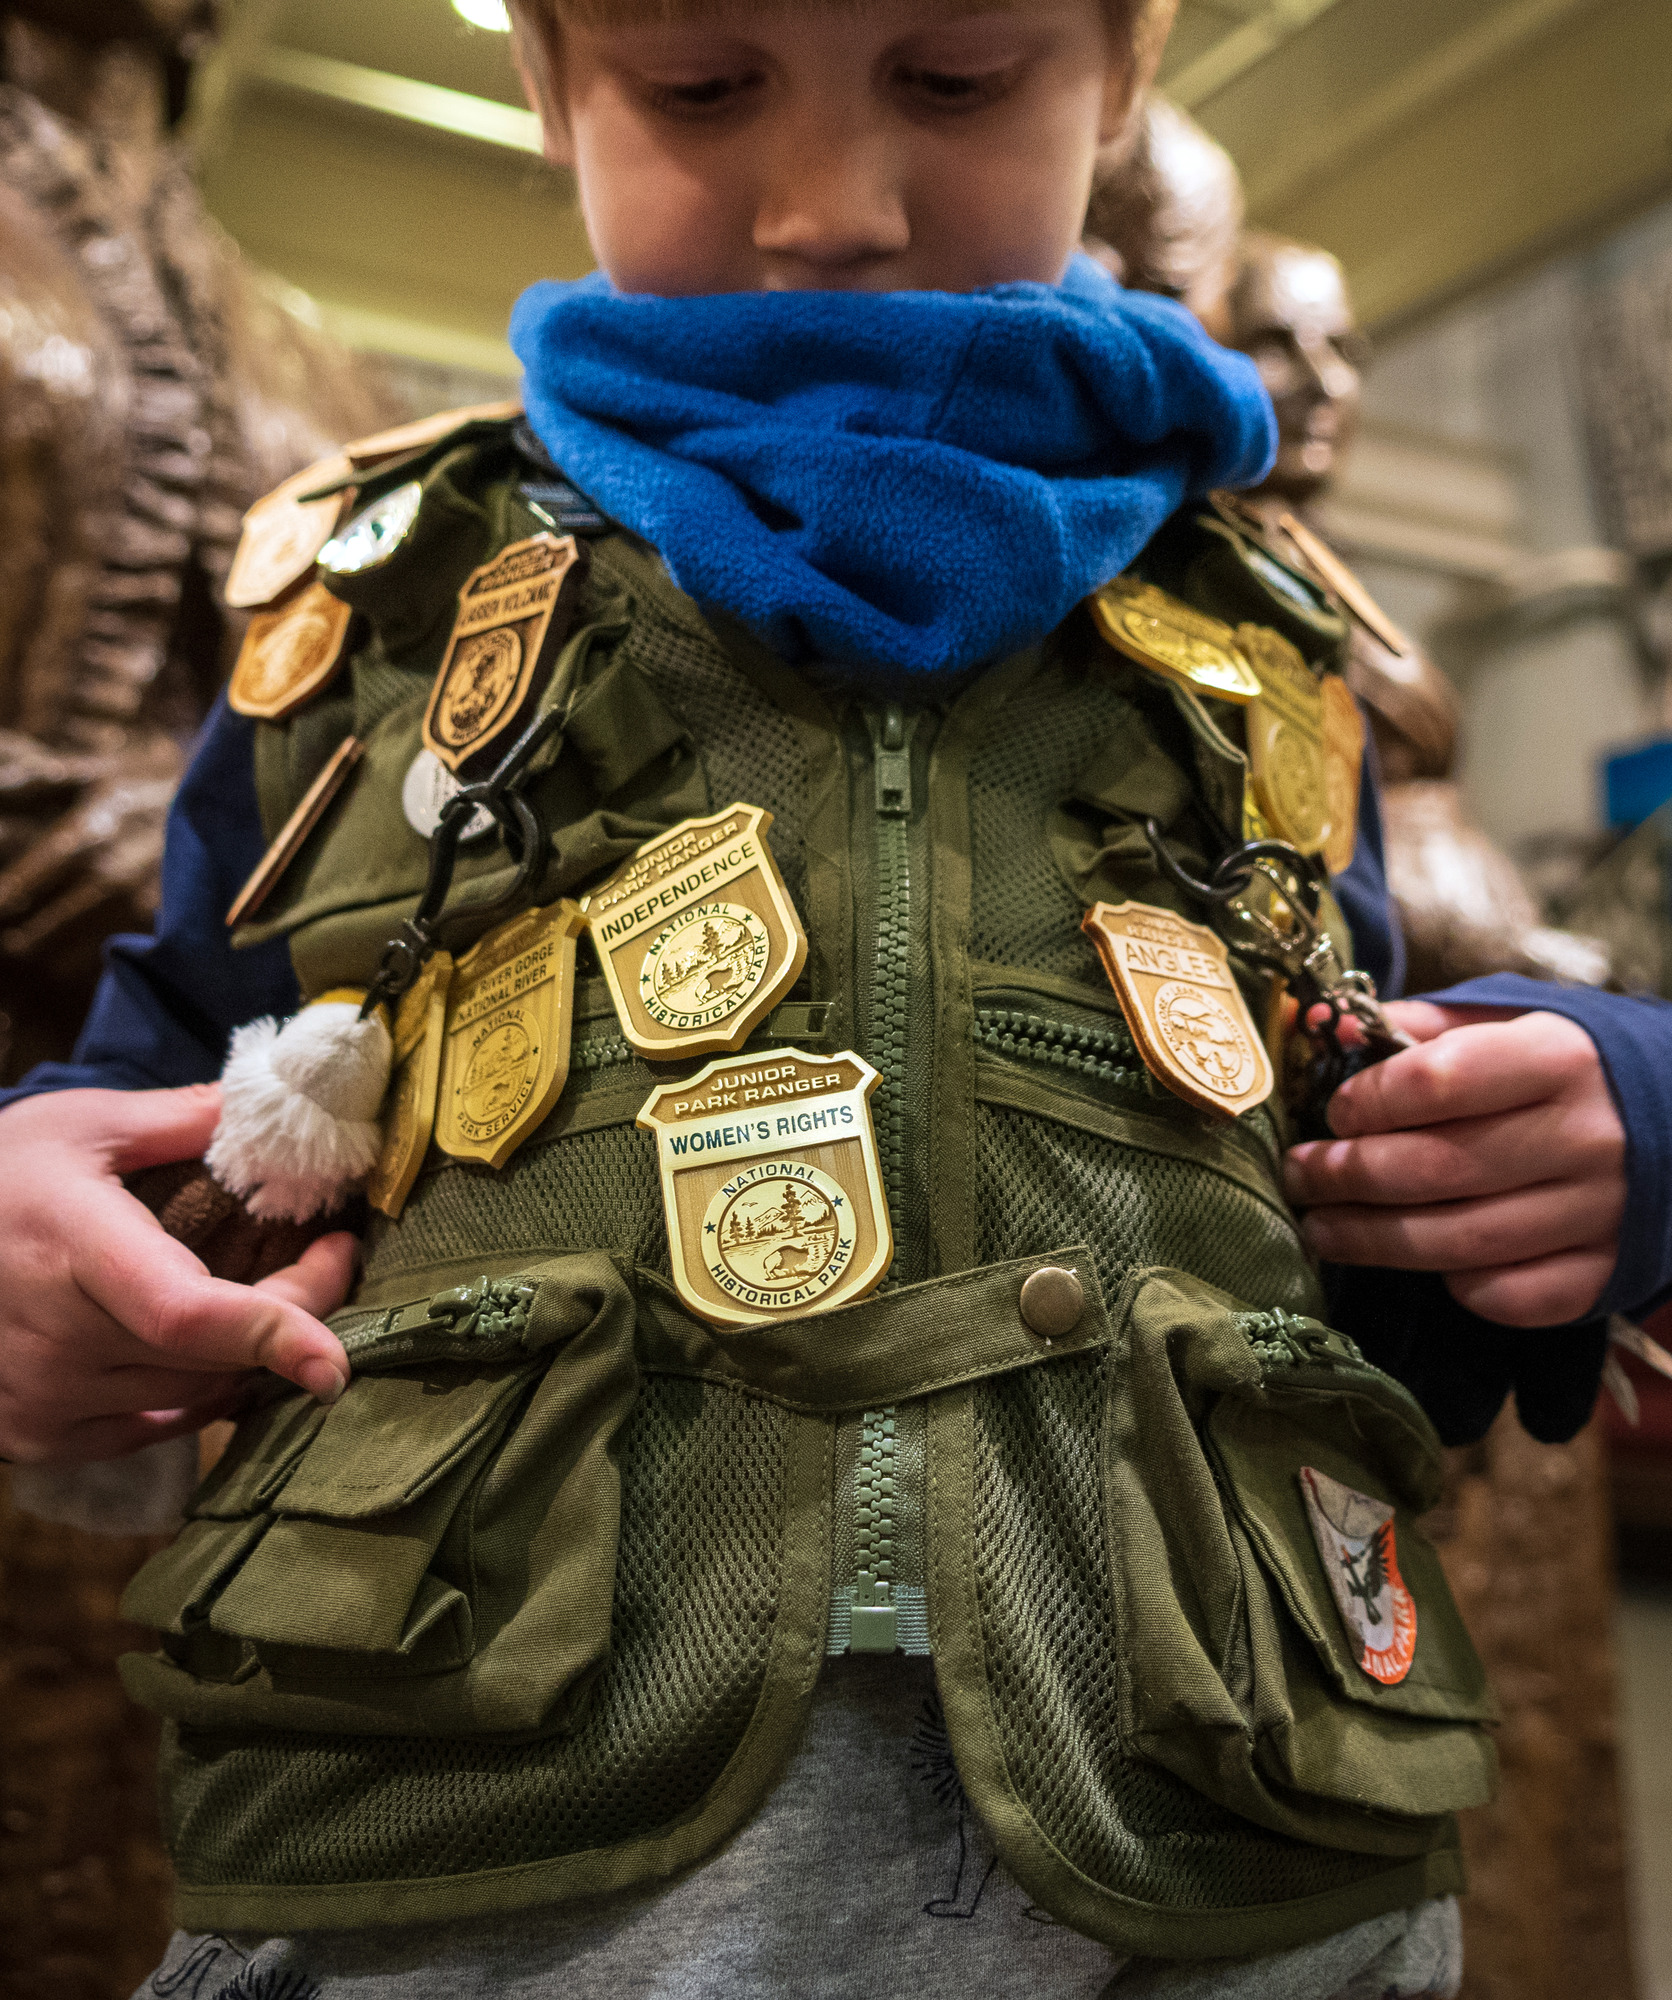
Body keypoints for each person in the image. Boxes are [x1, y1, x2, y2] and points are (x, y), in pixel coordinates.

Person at [0, 3, 1669, 1996]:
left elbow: (1346, 1158)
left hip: (1207, 1826)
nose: (830, 207)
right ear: (546, 80)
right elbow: (156, 1086)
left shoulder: (1272, 640)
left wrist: (1616, 1118)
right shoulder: (377, 594)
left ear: (1122, 77)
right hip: (447, 1834)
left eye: (954, 77)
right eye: (701, 87)